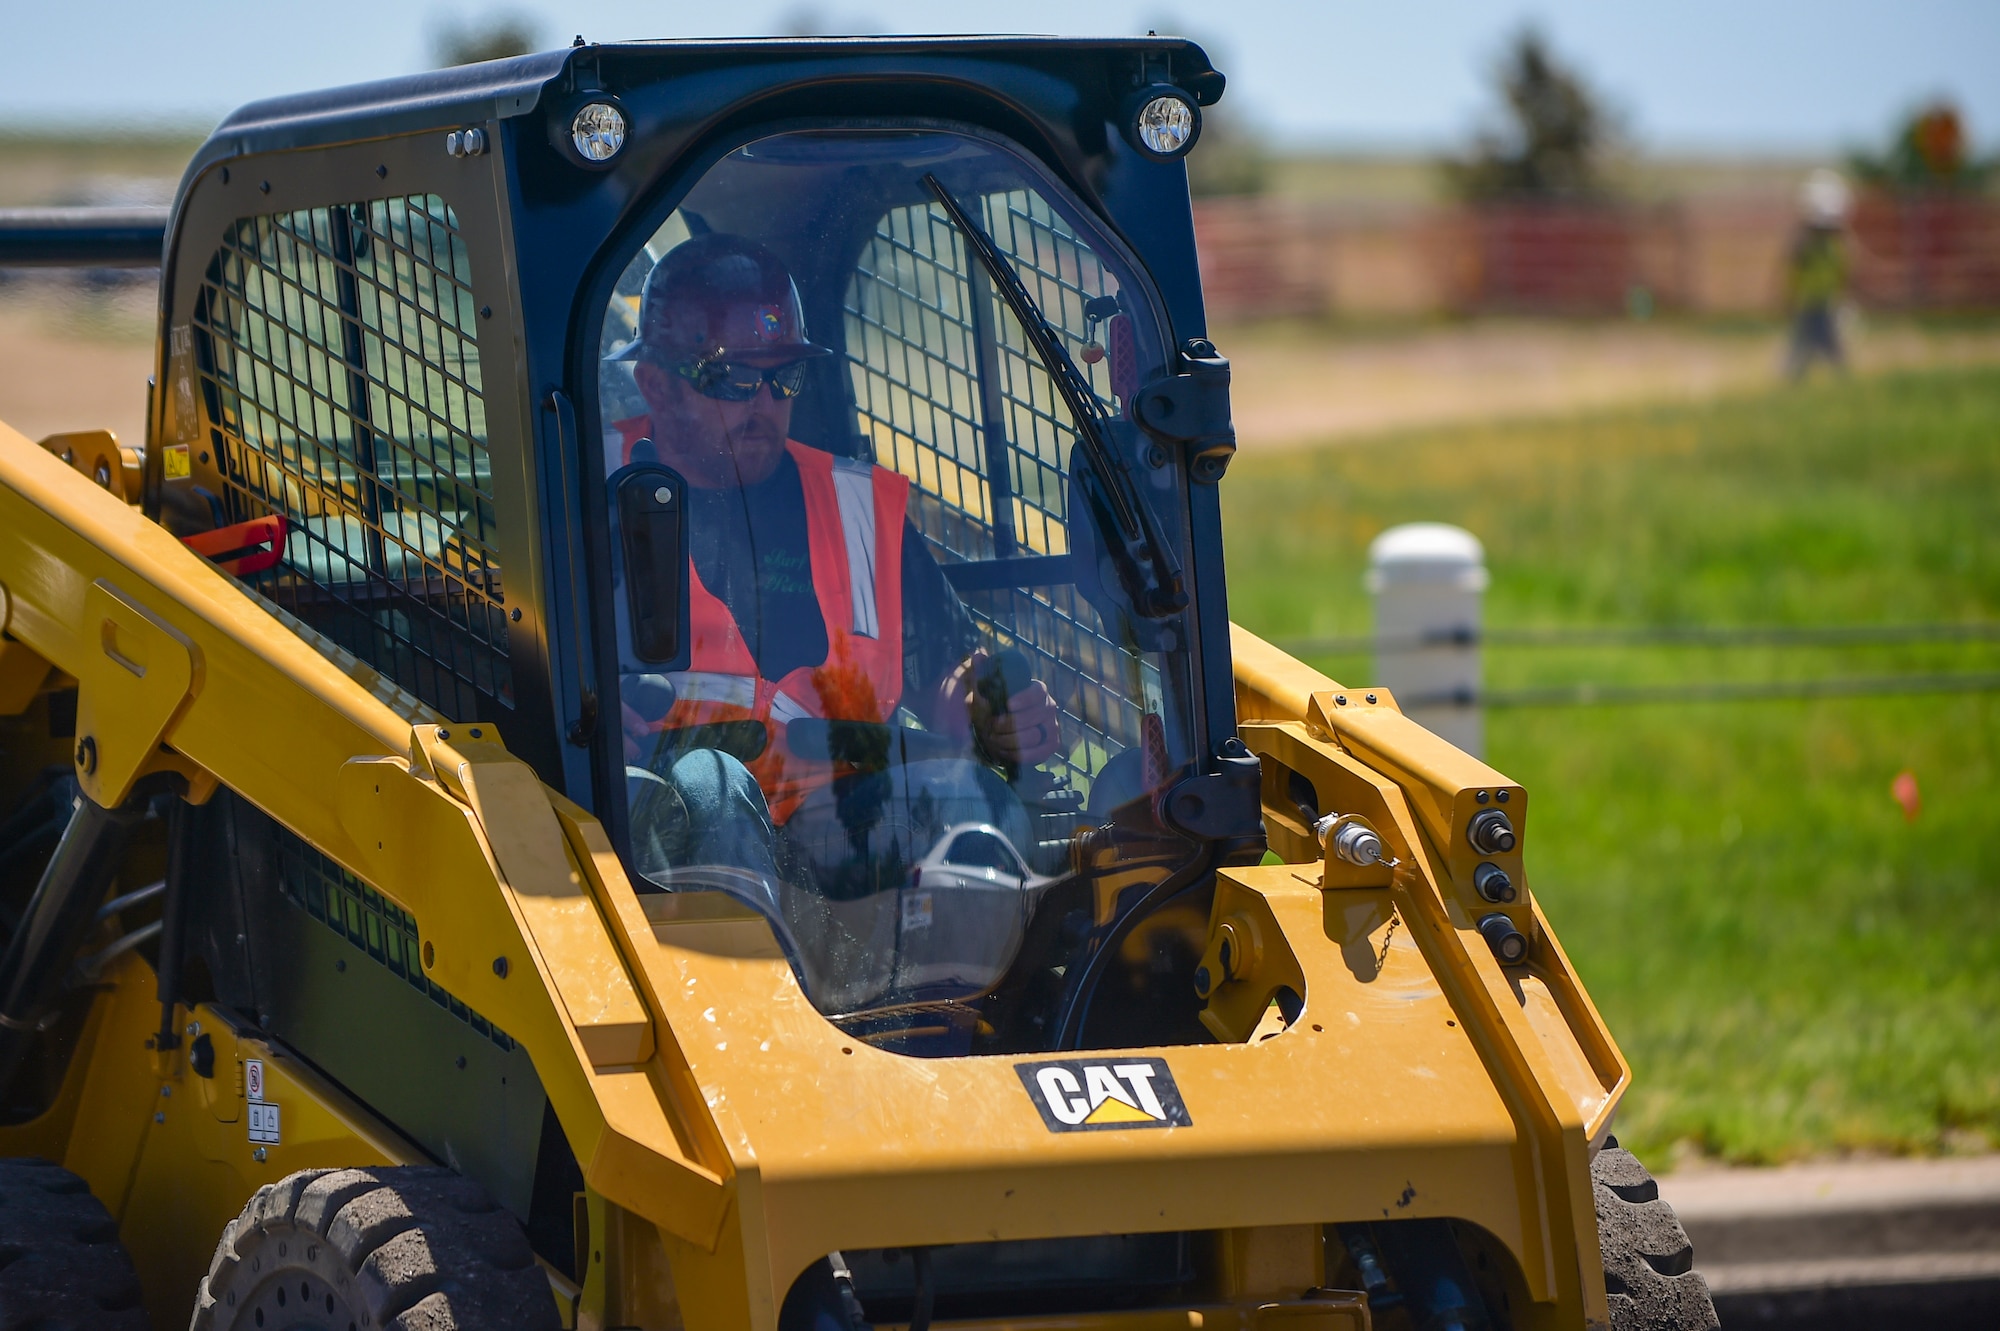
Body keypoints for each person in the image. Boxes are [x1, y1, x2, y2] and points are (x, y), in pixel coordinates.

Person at [607, 234, 1062, 895]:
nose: (763, 404)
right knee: (713, 791)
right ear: (655, 382)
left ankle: (959, 994)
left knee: (976, 801)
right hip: (672, 855)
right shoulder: (586, 497)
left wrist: (994, 707)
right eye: (733, 379)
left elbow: (948, 670)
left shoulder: (858, 508)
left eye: (783, 377)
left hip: (845, 829)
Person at [1785, 169, 1852, 380]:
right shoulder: (1808, 245)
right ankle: (1796, 378)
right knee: (1808, 344)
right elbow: (1793, 268)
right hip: (1810, 302)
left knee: (1819, 344)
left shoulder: (1834, 246)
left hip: (1824, 302)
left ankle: (1798, 378)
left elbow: (1843, 273)